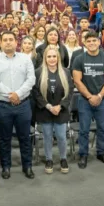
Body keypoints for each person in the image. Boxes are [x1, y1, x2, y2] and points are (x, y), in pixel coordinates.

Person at [0, 31, 36, 180]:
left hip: (23, 104)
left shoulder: (25, 59)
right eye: (5, 40)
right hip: (2, 105)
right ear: (1, 43)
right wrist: (11, 95)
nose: (8, 42)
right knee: (4, 138)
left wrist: (18, 94)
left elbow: (31, 79)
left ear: (16, 42)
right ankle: (6, 167)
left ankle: (27, 166)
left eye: (11, 39)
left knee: (25, 137)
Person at [72, 31, 104, 169]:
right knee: (84, 129)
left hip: (102, 99)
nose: (91, 43)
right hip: (85, 100)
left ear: (99, 42)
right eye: (88, 41)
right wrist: (90, 96)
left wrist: (100, 96)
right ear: (84, 43)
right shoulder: (79, 59)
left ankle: (101, 152)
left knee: (102, 128)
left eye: (94, 40)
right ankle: (83, 154)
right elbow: (77, 81)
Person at [33, 46, 73, 174]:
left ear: (58, 58)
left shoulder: (66, 72)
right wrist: (49, 106)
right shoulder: (38, 72)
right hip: (45, 110)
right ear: (45, 58)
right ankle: (49, 159)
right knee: (47, 136)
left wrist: (60, 106)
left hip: (61, 110)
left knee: (61, 136)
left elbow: (70, 92)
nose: (52, 59)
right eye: (49, 56)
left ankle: (63, 158)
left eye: (54, 56)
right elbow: (36, 93)